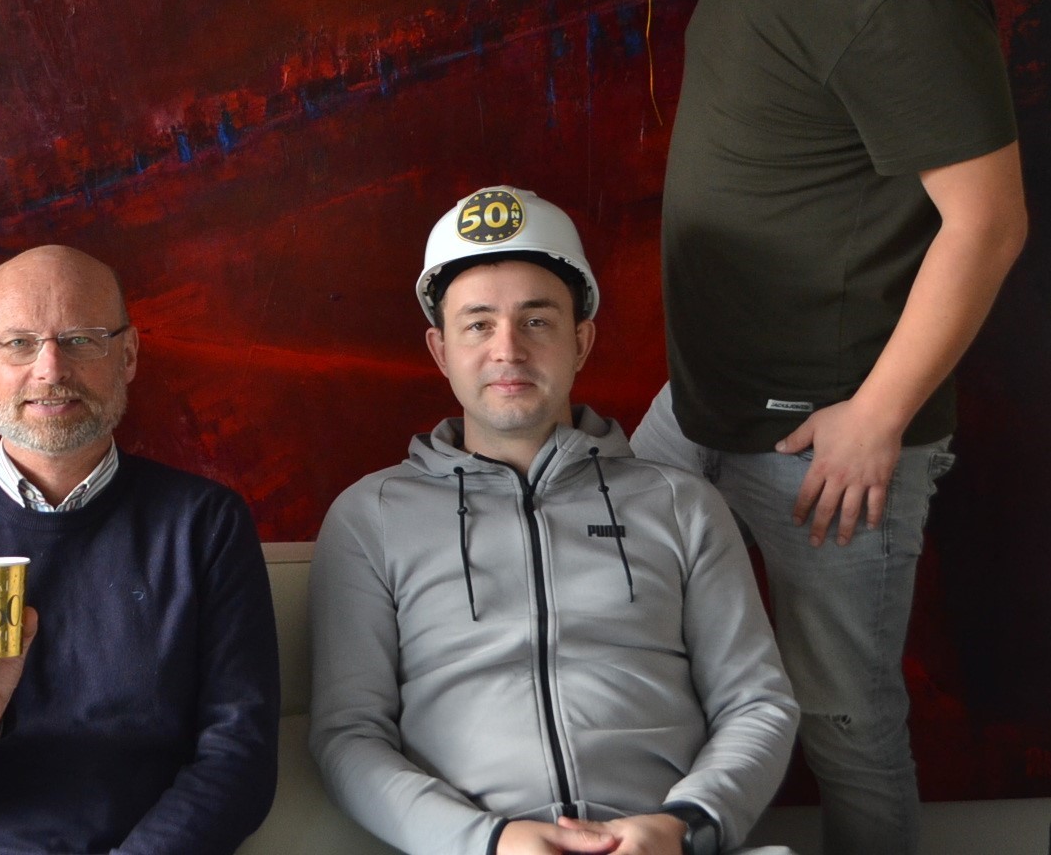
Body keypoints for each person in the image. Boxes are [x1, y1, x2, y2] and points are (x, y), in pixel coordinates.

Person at [626, 0, 1028, 854]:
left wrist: (876, 418)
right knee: (614, 631)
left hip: (824, 435)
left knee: (844, 721)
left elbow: (988, 223)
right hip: (702, 398)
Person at [311, 186, 800, 855]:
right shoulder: (370, 517)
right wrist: (490, 842)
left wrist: (681, 825)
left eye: (537, 321)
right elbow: (349, 735)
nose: (508, 349)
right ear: (440, 349)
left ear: (581, 340)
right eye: (478, 324)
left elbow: (757, 702)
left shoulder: (681, 504)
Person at [0, 244, 280, 855]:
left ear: (128, 355)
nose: (49, 369)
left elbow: (239, 762)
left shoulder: (205, 526)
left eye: (81, 340)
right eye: (19, 343)